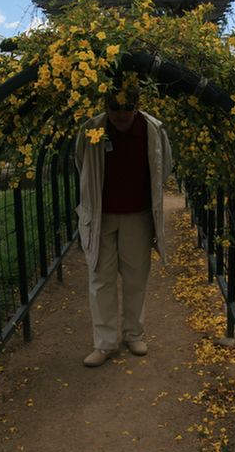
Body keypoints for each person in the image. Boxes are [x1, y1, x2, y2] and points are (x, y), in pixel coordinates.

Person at [74, 89, 173, 367]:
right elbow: (81, 163)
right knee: (100, 278)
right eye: (114, 106)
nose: (120, 113)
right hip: (101, 215)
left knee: (135, 277)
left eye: (126, 107)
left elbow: (164, 166)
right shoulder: (91, 129)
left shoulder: (153, 130)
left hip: (137, 215)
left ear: (137, 105)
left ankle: (133, 334)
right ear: (105, 104)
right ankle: (104, 344)